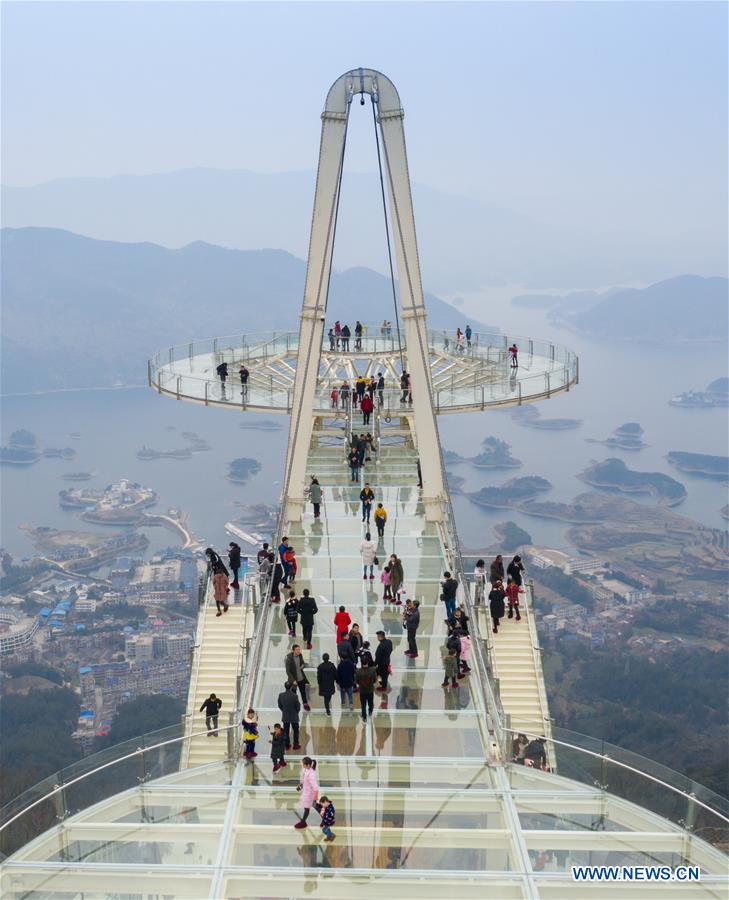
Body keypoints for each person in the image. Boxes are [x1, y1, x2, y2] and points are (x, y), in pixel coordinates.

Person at [295, 757, 319, 828]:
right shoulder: (305, 770)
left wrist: (314, 798)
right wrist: (301, 785)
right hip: (306, 792)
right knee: (313, 806)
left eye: (303, 764)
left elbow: (315, 788)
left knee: (307, 808)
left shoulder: (311, 775)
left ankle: (303, 822)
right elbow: (304, 779)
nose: (302, 765)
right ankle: (325, 818)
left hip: (309, 794)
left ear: (308, 765)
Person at [284, 645, 311, 710]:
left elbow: (303, 663)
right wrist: (293, 680)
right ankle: (294, 705)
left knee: (303, 692)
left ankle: (305, 704)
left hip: (301, 678)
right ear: (293, 650)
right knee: (294, 693)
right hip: (294, 679)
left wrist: (303, 665)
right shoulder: (289, 658)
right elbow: (288, 671)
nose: (299, 651)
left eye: (299, 649)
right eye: (297, 650)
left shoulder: (300, 655)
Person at [278, 681, 301, 749]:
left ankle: (287, 745)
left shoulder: (281, 695)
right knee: (296, 731)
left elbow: (280, 705)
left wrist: (284, 710)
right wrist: (296, 712)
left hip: (285, 716)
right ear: (291, 687)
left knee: (286, 731)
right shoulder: (294, 696)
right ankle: (296, 745)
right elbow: (298, 706)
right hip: (294, 716)